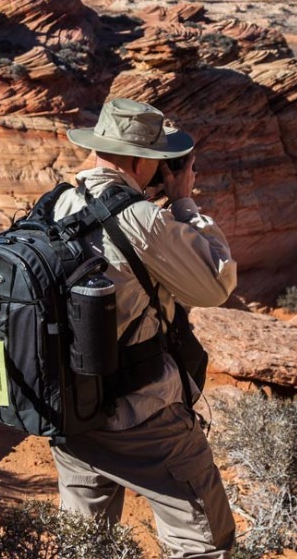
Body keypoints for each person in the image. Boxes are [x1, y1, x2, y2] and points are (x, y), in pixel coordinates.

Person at [50, 97, 237, 558]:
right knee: (203, 541)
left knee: (84, 545)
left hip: (69, 410)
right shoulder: (140, 218)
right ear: (139, 161)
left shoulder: (58, 205)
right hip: (142, 418)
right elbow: (215, 283)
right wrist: (184, 200)